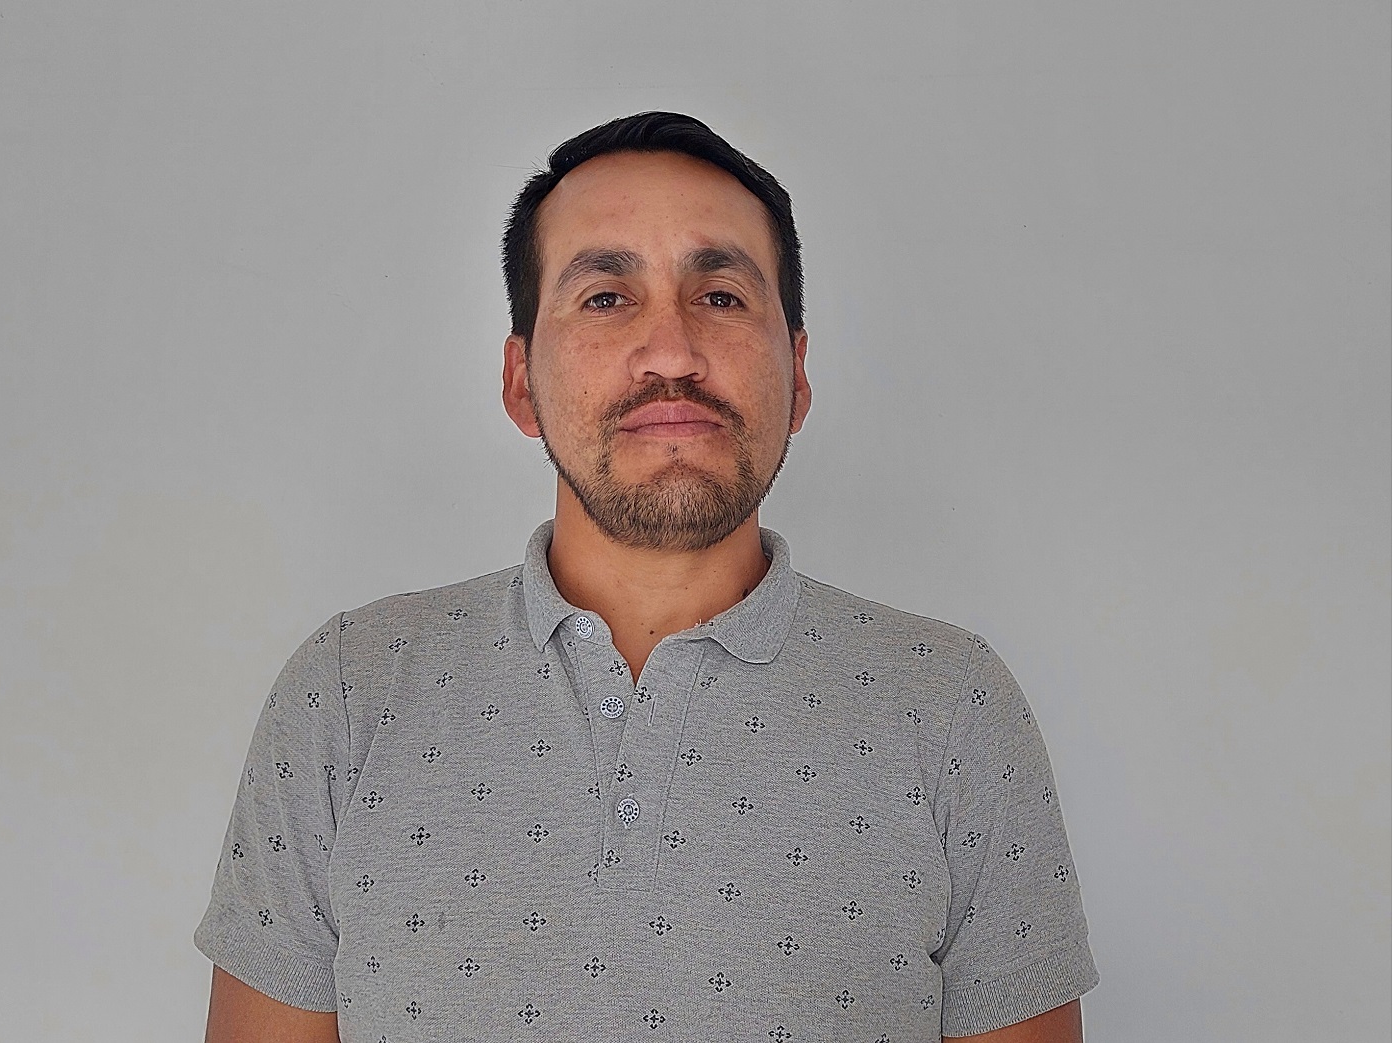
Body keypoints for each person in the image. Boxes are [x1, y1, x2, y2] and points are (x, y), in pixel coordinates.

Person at [195, 111, 1098, 1042]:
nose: (671, 352)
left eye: (721, 296)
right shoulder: (348, 691)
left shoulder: (953, 706)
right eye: (605, 297)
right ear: (520, 381)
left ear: (797, 374)